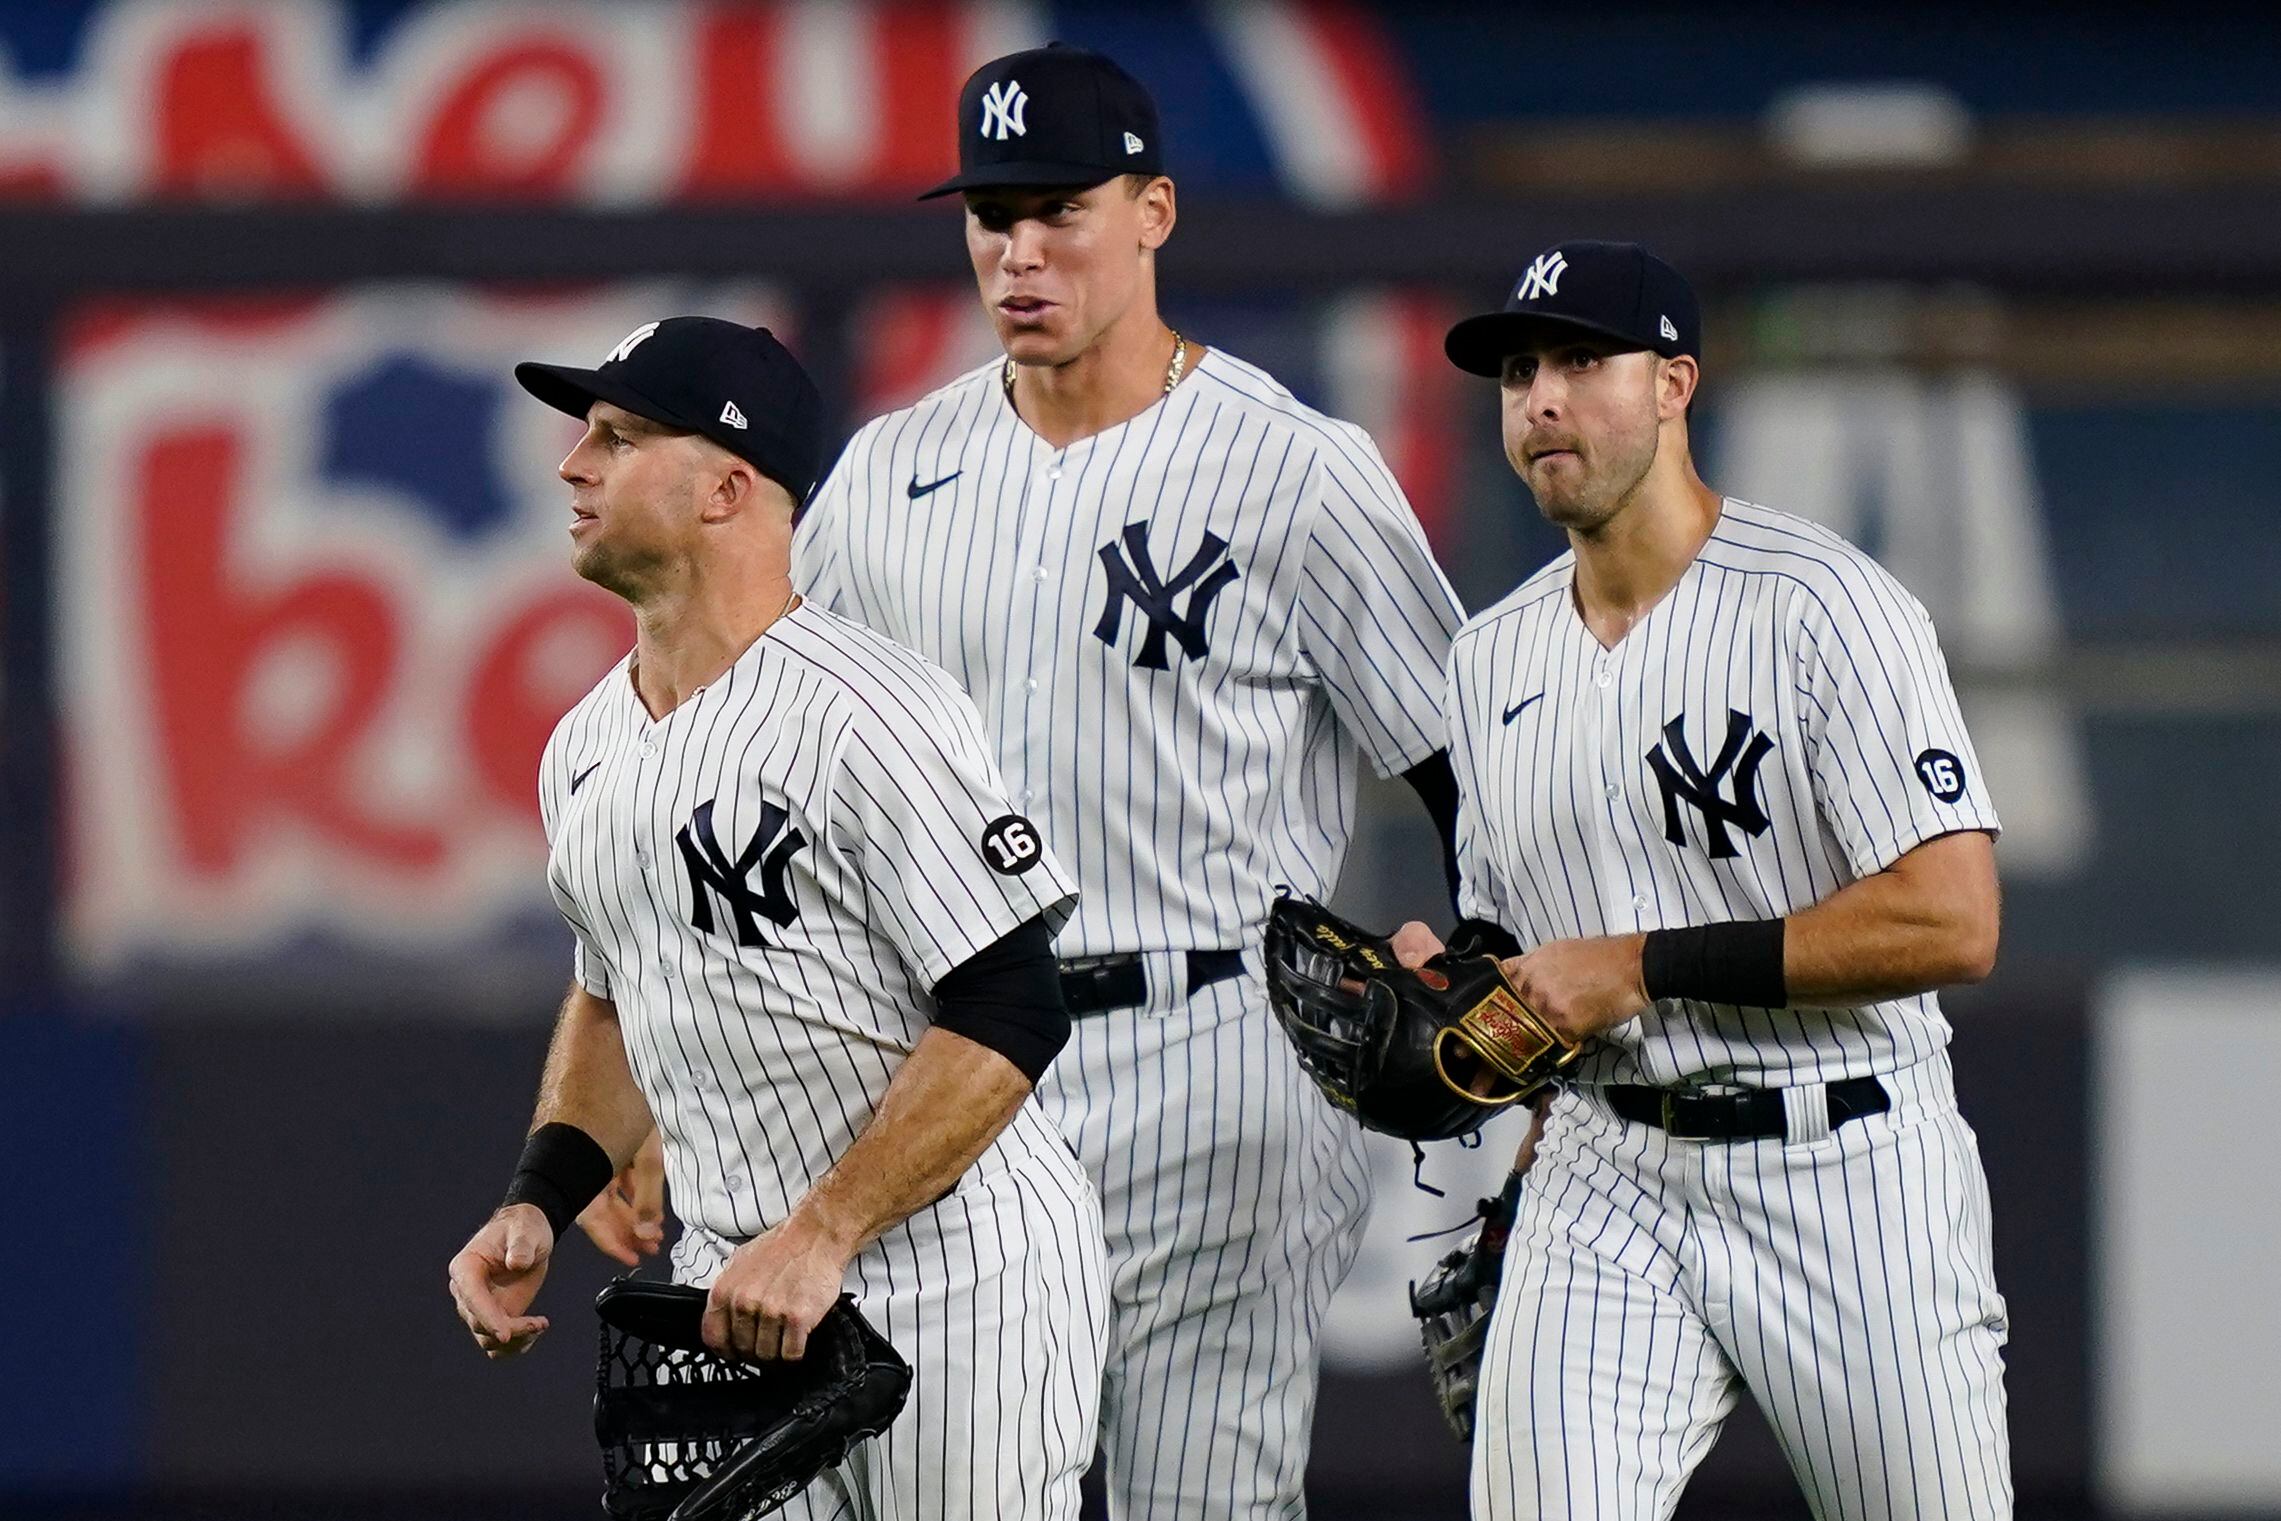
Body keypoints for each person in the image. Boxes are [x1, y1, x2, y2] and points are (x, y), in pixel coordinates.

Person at [791, 44, 1468, 1521]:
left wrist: (1494, 965)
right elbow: (783, 781)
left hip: (1216, 1048)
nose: (1017, 251)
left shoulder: (1297, 470)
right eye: (989, 216)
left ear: (1154, 210)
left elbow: (1471, 767)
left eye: (1059, 209)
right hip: (955, 1071)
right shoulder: (885, 481)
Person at [443, 315, 1107, 1520]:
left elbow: (1012, 1007)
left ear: (727, 488)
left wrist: (823, 1231)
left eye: (619, 435)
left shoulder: (873, 709)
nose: (572, 466)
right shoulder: (583, 746)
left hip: (954, 1279)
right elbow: (613, 994)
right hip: (731, 1284)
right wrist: (535, 1198)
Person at [1401, 241, 2011, 1518]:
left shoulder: (1826, 606)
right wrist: (1459, 998)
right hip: (1602, 1174)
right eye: (1518, 371)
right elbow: (1538, 954)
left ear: (1675, 385)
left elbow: (1951, 918)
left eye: (1580, 359)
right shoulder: (1487, 656)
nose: (1540, 399)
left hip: (1842, 1166)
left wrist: (1635, 967)